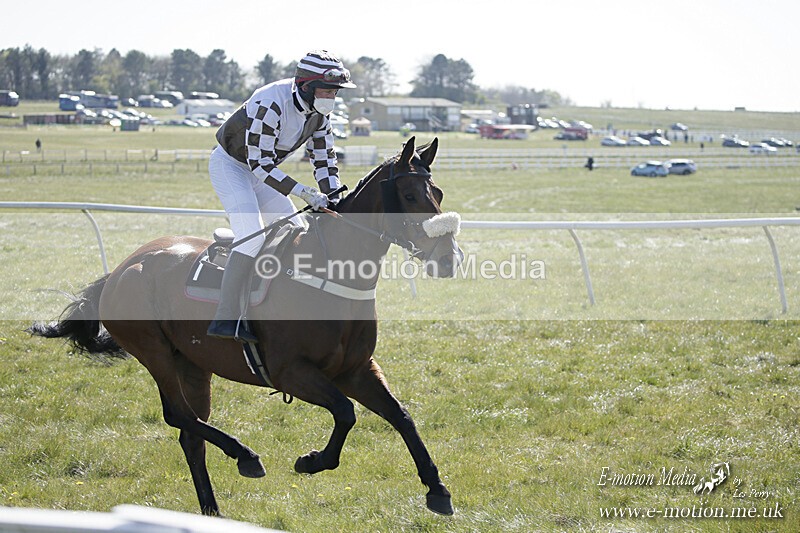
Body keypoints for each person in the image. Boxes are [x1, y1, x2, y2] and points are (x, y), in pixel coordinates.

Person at [206, 50, 356, 342]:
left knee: (297, 234)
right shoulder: (271, 101)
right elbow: (259, 165)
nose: (332, 97)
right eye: (326, 90)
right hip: (232, 166)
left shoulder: (319, 115)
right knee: (252, 238)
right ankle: (226, 317)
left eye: (335, 92)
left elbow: (324, 160)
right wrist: (303, 192)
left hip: (265, 172)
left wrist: (333, 196)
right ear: (306, 87)